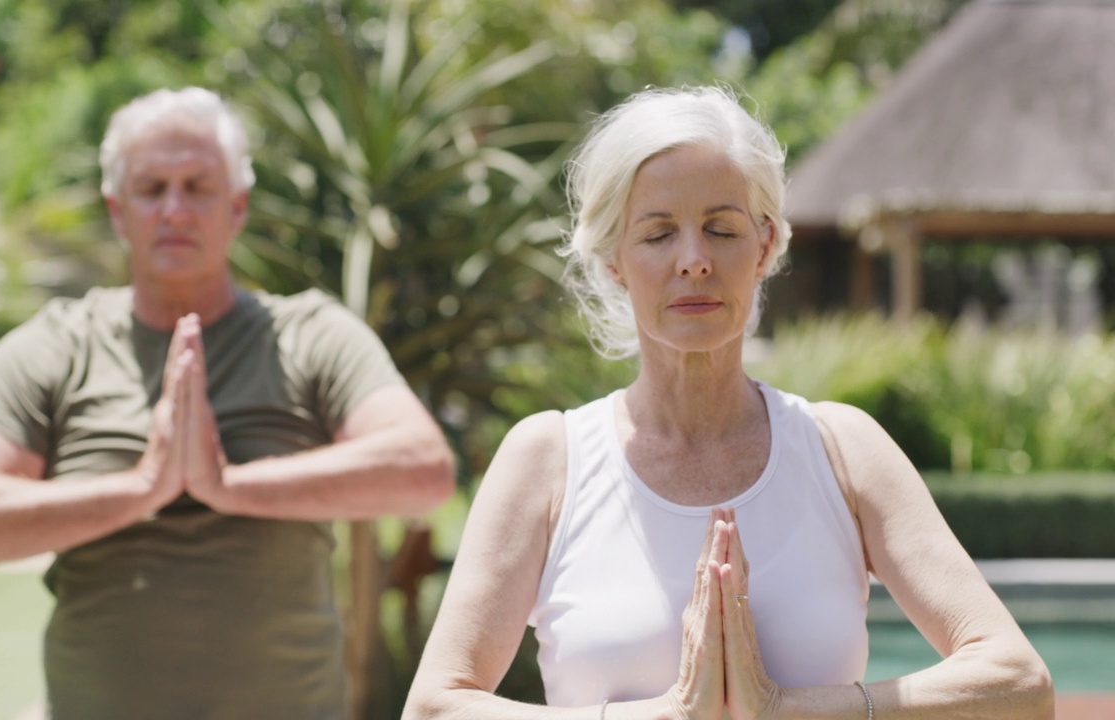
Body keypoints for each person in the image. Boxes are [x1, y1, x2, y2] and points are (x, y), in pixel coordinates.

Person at [403, 86, 1053, 720]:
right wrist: (669, 716)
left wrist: (786, 711)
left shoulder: (842, 451)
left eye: (721, 228)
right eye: (657, 235)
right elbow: (434, 706)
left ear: (765, 246)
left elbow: (1019, 686)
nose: (694, 261)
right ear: (612, 262)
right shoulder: (547, 462)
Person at [0, 87, 455, 720]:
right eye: (152, 189)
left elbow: (424, 471)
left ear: (238, 207)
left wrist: (228, 486)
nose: (175, 209)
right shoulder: (55, 347)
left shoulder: (311, 335)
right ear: (118, 212)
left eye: (198, 187)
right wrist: (143, 488)